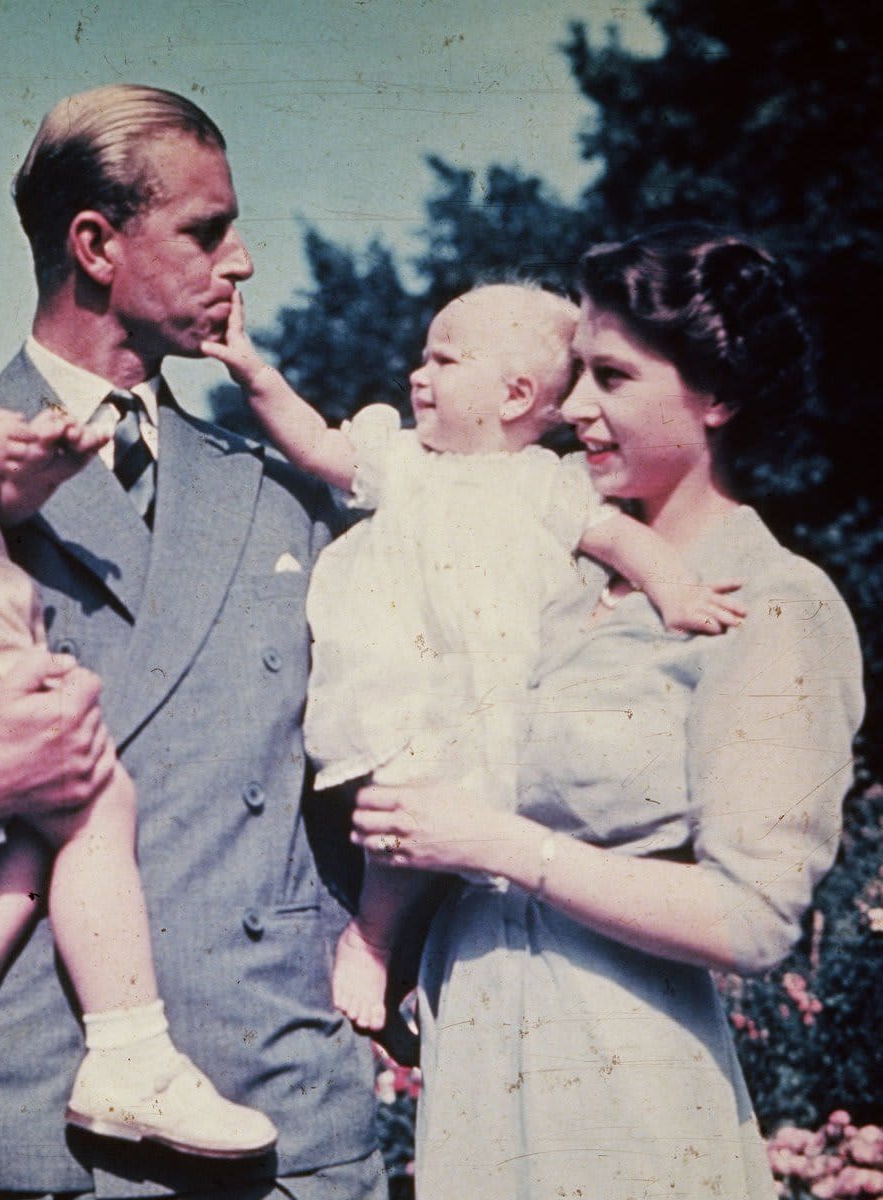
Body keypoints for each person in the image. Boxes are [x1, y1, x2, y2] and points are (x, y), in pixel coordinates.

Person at [0, 82, 385, 1200]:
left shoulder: (275, 493)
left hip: (276, 1109)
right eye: (208, 230)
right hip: (39, 1121)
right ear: (96, 244)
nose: (242, 261)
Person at [350, 225, 865, 1199]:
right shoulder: (552, 585)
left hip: (626, 1105)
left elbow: (751, 920)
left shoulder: (772, 603)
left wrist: (499, 844)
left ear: (717, 395)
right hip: (476, 1085)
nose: (574, 406)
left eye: (613, 379)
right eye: (576, 374)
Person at [204, 283, 746, 1033]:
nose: (417, 376)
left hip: (492, 689)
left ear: (516, 394)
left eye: (444, 360)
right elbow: (319, 445)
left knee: (472, 825)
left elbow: (623, 540)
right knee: (404, 808)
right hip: (402, 677)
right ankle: (373, 935)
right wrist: (256, 374)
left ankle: (422, 966)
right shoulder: (405, 461)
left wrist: (677, 589)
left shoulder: (546, 485)